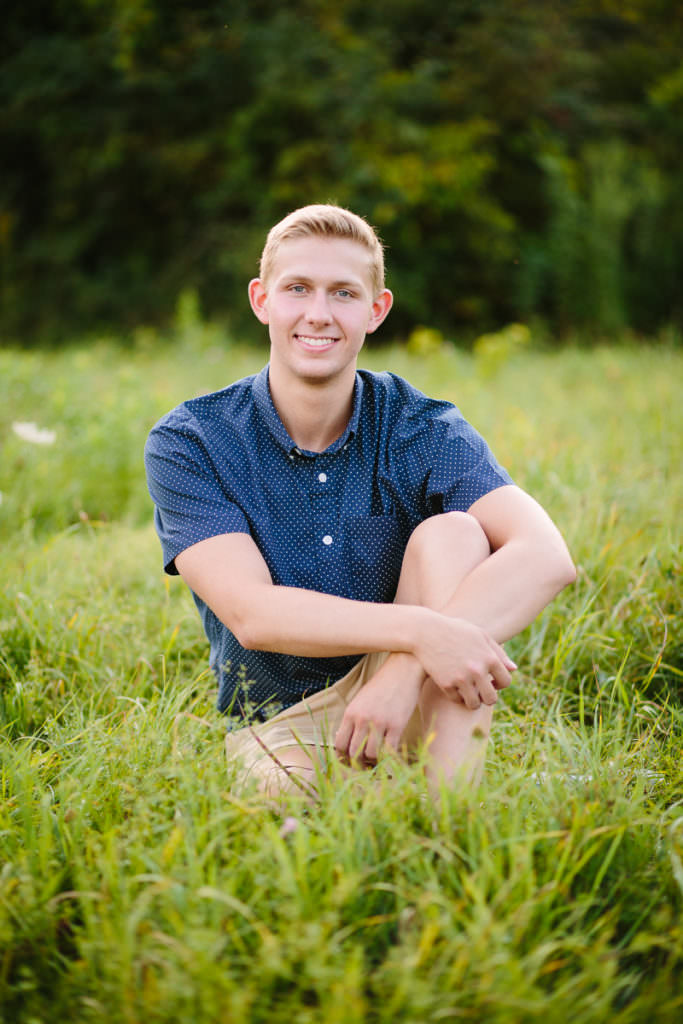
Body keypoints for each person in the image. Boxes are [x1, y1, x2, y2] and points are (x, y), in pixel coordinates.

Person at [144, 204, 576, 798]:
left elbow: (547, 556)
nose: (318, 314)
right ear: (261, 300)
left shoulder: (418, 424)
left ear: (376, 311)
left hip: (416, 695)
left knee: (454, 535)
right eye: (298, 288)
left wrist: (406, 664)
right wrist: (425, 632)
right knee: (286, 810)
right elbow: (252, 614)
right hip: (280, 722)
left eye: (343, 293)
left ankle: (450, 823)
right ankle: (383, 799)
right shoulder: (193, 440)